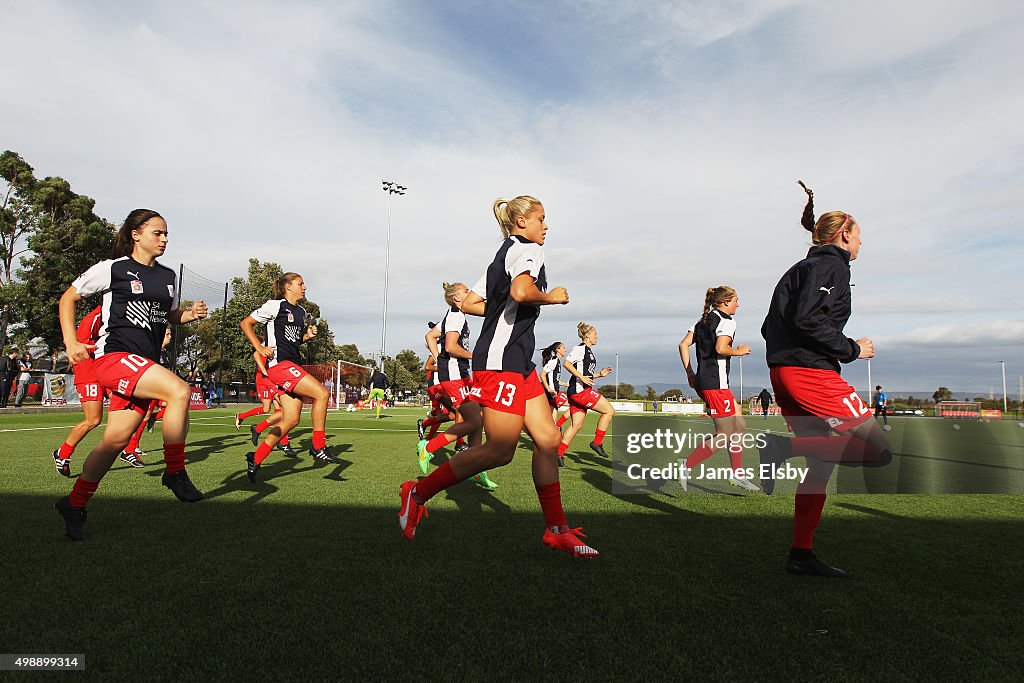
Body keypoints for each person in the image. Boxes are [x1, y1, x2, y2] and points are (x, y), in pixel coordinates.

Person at [397, 195, 598, 557]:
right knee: (501, 450)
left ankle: (556, 529)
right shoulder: (528, 251)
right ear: (522, 222)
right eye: (541, 219)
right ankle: (418, 491)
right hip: (500, 362)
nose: (546, 226)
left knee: (548, 439)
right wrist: (550, 298)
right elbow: (522, 291)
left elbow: (471, 302)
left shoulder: (505, 252)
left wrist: (506, 306)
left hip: (518, 362)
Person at [758, 181, 893, 577]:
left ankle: (801, 554)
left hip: (784, 371)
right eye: (860, 236)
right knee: (877, 450)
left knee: (820, 465)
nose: (862, 243)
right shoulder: (830, 265)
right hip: (810, 375)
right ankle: (780, 448)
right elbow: (808, 319)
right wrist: (852, 349)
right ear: (844, 234)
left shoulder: (798, 269)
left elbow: (771, 328)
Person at [55, 208, 209, 542]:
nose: (164, 239)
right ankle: (175, 471)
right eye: (158, 232)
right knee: (179, 392)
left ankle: (74, 503)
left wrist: (189, 315)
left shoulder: (168, 276)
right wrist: (70, 341)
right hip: (115, 359)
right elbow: (68, 297)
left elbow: (165, 316)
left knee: (114, 441)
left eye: (167, 234)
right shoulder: (114, 269)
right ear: (136, 234)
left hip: (143, 366)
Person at [240, 272, 336, 483]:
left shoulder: (301, 312)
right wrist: (260, 347)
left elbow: (291, 341)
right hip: (280, 367)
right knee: (322, 393)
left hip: (292, 365)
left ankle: (255, 457)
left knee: (291, 419)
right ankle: (318, 445)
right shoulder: (275, 305)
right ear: (288, 287)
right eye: (300, 283)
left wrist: (306, 337)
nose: (305, 287)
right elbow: (245, 323)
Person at [677, 287, 759, 492]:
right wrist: (739, 351)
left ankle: (738, 475)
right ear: (725, 302)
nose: (738, 305)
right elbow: (721, 348)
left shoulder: (702, 320)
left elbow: (683, 345)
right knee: (724, 434)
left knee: (739, 426)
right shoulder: (727, 321)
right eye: (736, 301)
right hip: (715, 385)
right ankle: (686, 465)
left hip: (709, 383)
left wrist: (690, 373)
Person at [417, 282, 496, 489]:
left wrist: (437, 357)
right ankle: (429, 447)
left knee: (477, 419)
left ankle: (476, 468)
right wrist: (476, 356)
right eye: (466, 291)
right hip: (454, 375)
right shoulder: (456, 316)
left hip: (458, 372)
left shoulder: (451, 314)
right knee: (472, 421)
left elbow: (429, 336)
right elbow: (451, 347)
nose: (471, 292)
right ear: (457, 298)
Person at [51, 306, 106, 477]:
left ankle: (130, 448)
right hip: (89, 373)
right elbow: (79, 346)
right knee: (93, 419)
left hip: (108, 371)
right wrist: (105, 347)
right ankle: (62, 454)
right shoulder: (97, 316)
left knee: (133, 405)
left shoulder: (120, 314)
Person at [557, 322, 615, 466]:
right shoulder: (580, 349)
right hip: (580, 391)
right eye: (595, 334)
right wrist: (581, 377)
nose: (597, 337)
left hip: (576, 392)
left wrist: (600, 375)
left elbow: (585, 373)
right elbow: (567, 363)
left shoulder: (587, 351)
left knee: (576, 425)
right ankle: (597, 442)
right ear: (587, 335)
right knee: (609, 411)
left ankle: (558, 454)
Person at [540, 341, 570, 436]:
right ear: (557, 350)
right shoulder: (553, 361)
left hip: (554, 393)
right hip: (551, 394)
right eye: (563, 348)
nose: (565, 349)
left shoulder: (557, 362)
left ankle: (549, 439)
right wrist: (548, 389)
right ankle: (558, 426)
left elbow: (554, 379)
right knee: (575, 403)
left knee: (551, 422)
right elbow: (542, 374)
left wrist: (566, 384)